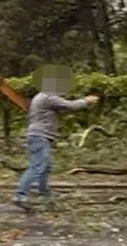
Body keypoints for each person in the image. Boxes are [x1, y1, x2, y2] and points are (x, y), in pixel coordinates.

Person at [13, 66, 98, 211]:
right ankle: (21, 196)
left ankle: (44, 194)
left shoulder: (42, 96)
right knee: (38, 167)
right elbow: (70, 106)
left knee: (45, 167)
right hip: (39, 136)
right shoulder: (47, 96)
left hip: (39, 136)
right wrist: (86, 100)